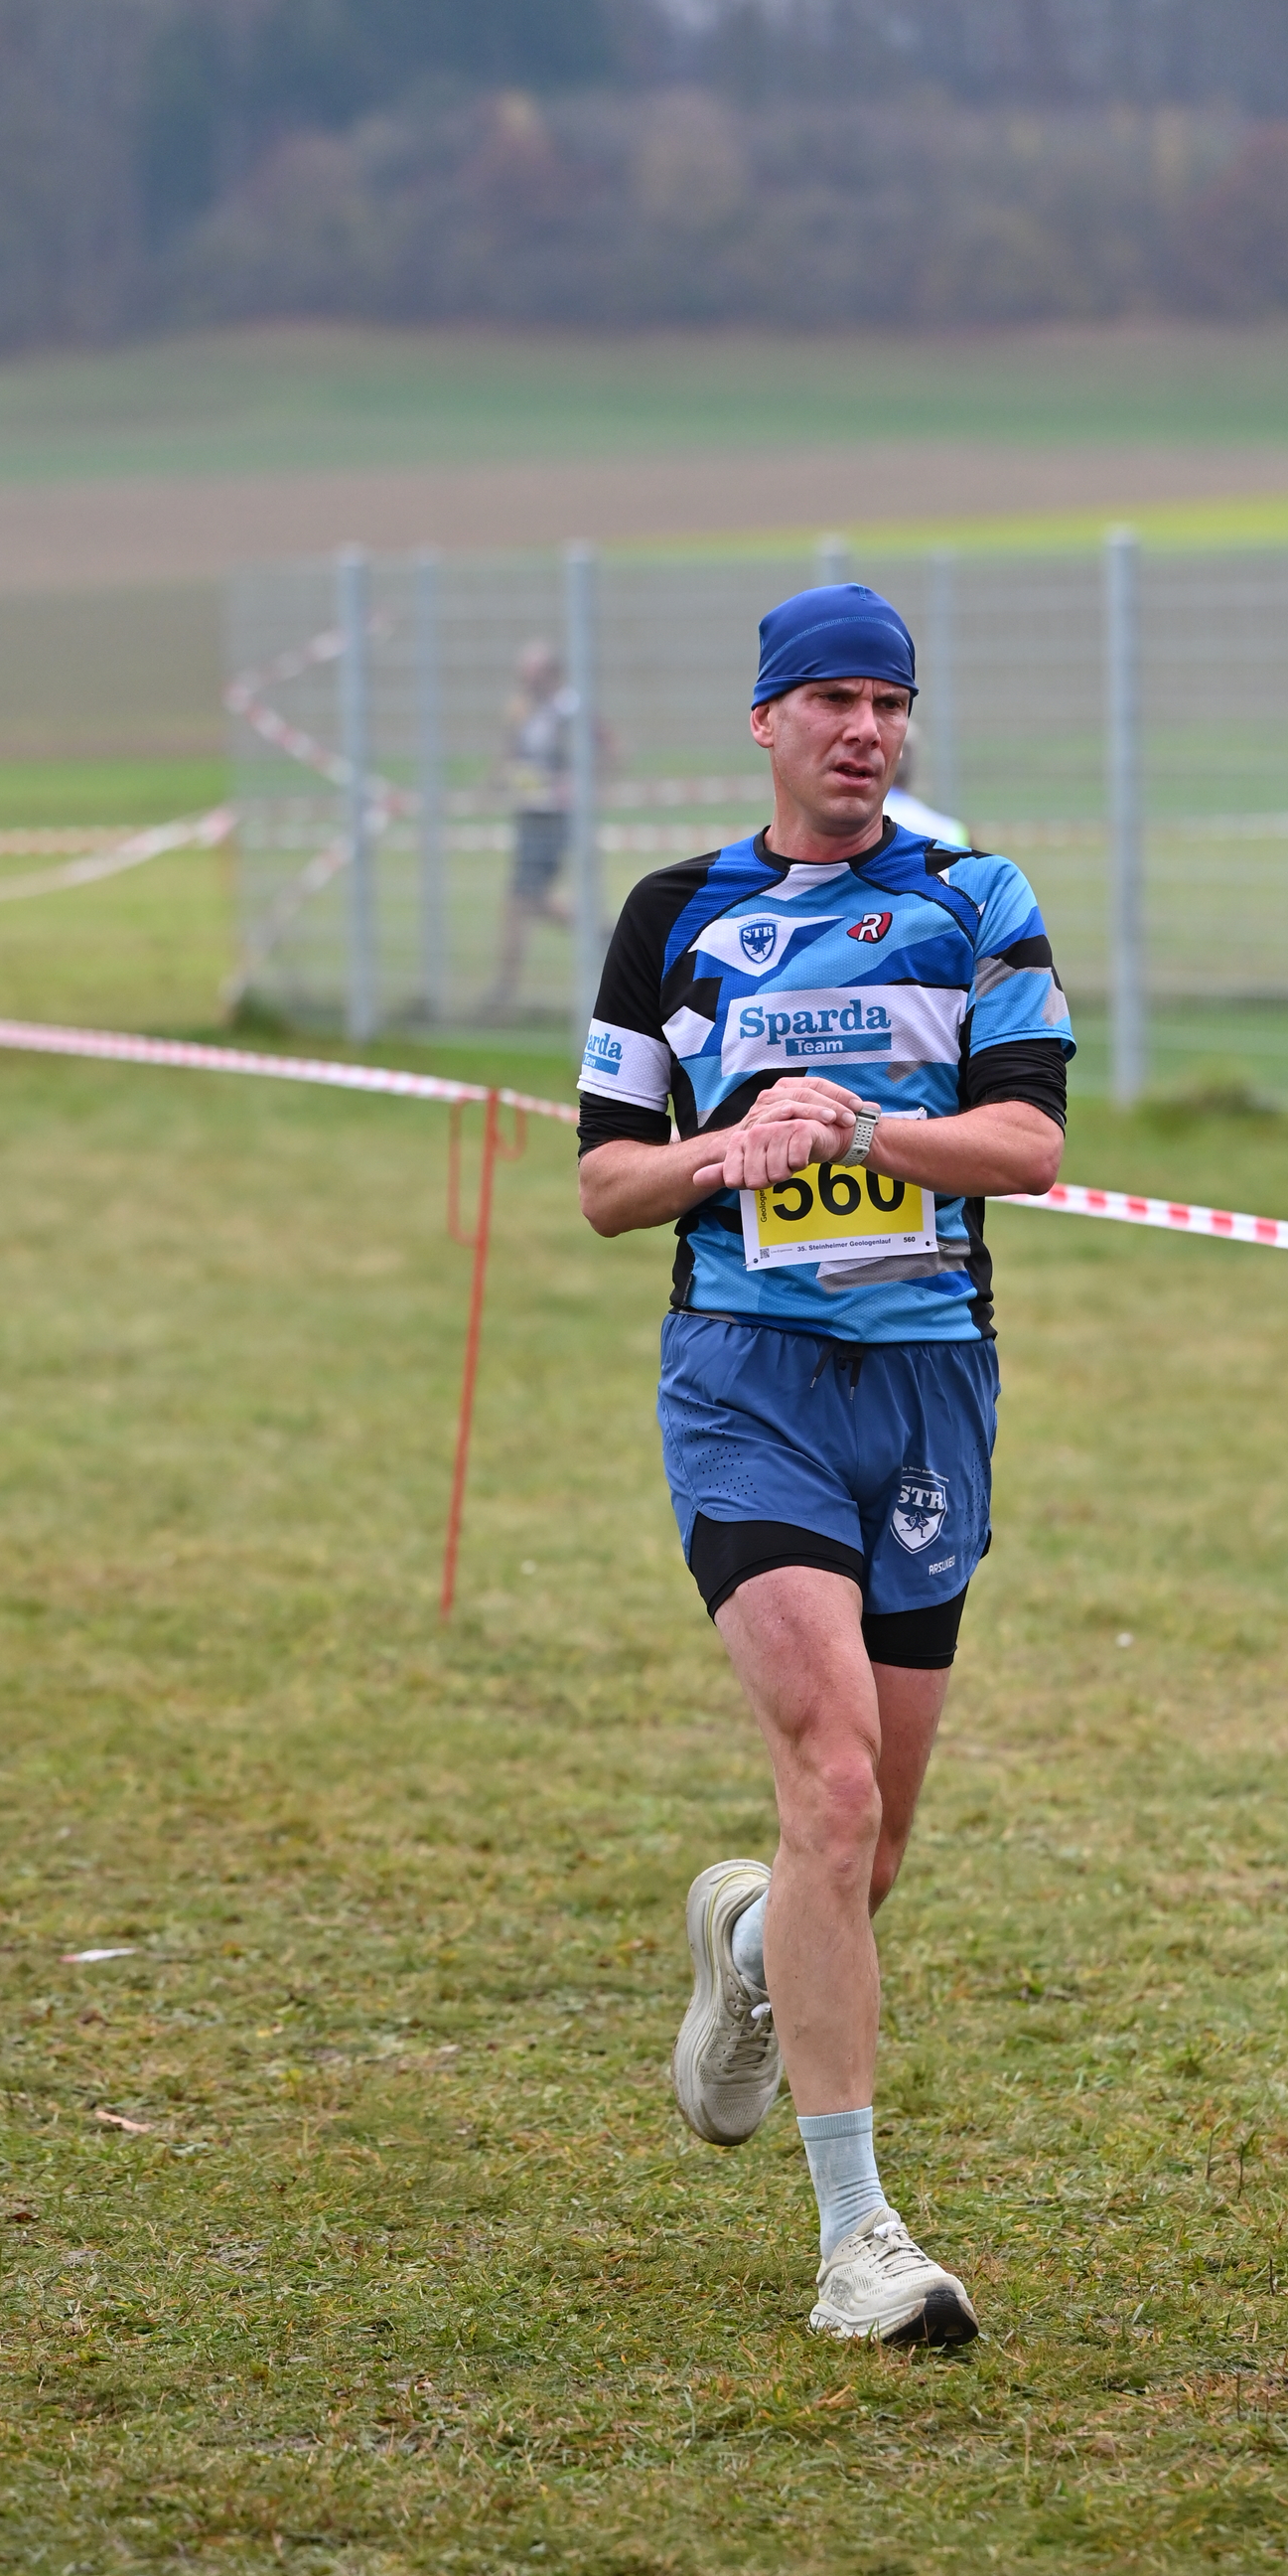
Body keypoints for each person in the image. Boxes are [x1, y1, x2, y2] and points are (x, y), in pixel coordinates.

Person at [576, 585, 1071, 2347]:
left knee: (867, 1850)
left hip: (928, 1386)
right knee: (834, 1786)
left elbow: (1027, 1143)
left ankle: (745, 1947)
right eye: (831, 700)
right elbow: (605, 1181)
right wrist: (729, 1149)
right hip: (748, 1381)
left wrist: (862, 1125)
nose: (864, 729)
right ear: (766, 722)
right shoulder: (675, 915)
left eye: (888, 701)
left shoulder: (975, 899)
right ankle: (858, 2237)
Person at [488, 640, 586, 1014]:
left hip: (554, 818)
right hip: (529, 815)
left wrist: (573, 784)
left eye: (534, 676)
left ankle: (505, 988)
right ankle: (602, 933)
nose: (528, 684)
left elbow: (606, 751)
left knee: (520, 901)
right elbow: (508, 759)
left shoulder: (569, 710)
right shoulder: (524, 710)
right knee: (527, 900)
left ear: (552, 675)